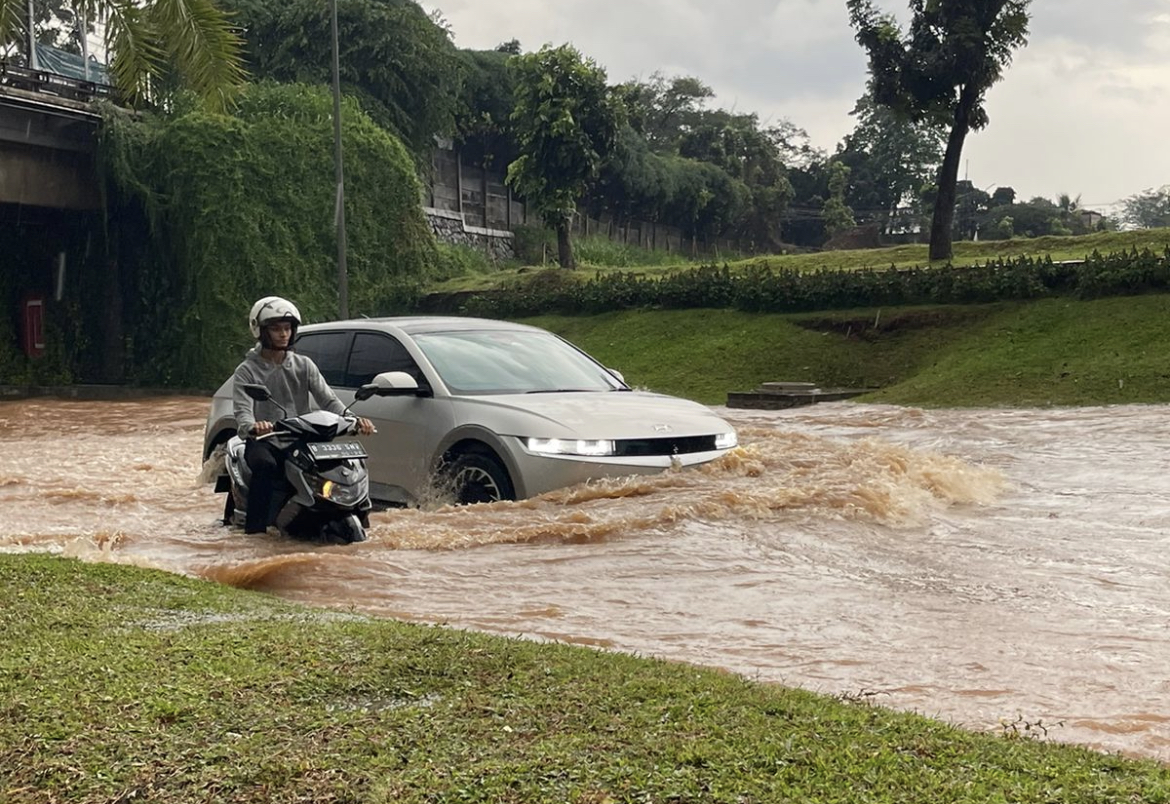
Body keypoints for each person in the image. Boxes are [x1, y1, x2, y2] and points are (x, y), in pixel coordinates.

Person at [232, 296, 375, 534]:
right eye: (276, 329)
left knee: (344, 467)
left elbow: (328, 400)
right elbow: (243, 411)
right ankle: (256, 532)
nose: (283, 334)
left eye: (287, 328)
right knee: (265, 467)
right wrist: (254, 426)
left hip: (304, 437)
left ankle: (359, 518)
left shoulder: (304, 365)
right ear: (261, 331)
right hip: (266, 441)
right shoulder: (247, 371)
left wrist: (354, 420)